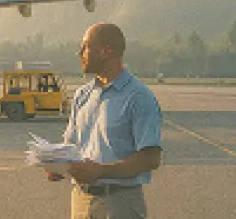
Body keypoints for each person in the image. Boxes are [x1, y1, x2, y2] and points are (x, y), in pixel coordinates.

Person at [48, 23, 162, 219]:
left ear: (107, 50)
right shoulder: (82, 95)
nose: (80, 53)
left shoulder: (138, 97)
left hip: (119, 203)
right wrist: (58, 165)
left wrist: (101, 171)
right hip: (81, 200)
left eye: (86, 47)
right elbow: (72, 144)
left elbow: (150, 158)